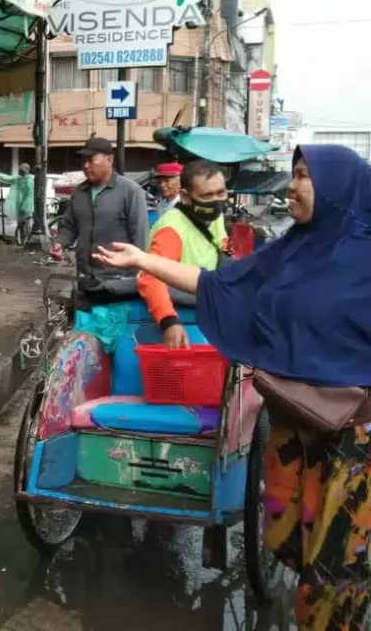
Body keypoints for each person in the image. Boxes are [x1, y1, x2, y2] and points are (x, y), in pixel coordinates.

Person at [94, 145, 371, 629]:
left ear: (337, 189)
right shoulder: (289, 249)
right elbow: (218, 286)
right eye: (293, 174)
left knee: (334, 570)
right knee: (286, 541)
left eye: (303, 176)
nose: (291, 187)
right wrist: (144, 260)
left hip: (353, 435)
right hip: (293, 420)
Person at [138, 160, 230, 349]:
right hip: (183, 319)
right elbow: (150, 276)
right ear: (186, 197)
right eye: (207, 195)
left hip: (209, 316)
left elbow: (221, 248)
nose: (216, 201)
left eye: (221, 193)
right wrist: (168, 321)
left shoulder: (215, 217)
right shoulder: (172, 228)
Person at [50, 136, 148, 304]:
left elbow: (140, 238)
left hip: (117, 281)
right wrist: (60, 242)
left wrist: (135, 277)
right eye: (83, 161)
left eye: (91, 160)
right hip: (85, 278)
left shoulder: (130, 191)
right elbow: (69, 226)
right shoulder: (79, 192)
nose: (85, 165)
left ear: (109, 159)